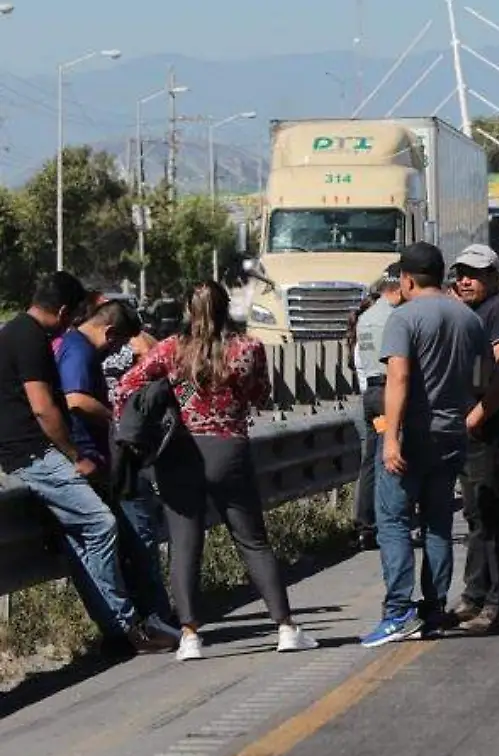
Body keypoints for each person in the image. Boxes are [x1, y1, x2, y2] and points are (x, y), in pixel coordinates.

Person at [115, 282, 318, 661]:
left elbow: (127, 385)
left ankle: (190, 635)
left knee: (185, 544)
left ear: (188, 310)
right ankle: (286, 627)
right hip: (229, 449)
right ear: (228, 308)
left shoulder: (172, 350)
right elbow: (261, 396)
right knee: (252, 541)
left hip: (179, 452)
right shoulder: (247, 348)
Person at [4, 275, 176, 655]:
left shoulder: (16, 331)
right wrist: (73, 456)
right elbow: (43, 406)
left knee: (85, 531)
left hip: (24, 453)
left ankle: (120, 627)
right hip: (33, 453)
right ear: (64, 311)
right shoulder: (32, 337)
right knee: (100, 524)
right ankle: (124, 627)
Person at [361, 242, 488, 648]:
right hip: (452, 434)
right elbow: (480, 375)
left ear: (407, 279)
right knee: (437, 524)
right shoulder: (468, 319)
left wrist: (391, 438)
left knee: (394, 522)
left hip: (413, 434)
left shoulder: (404, 318)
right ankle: (433, 611)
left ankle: (398, 611)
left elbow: (397, 378)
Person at [58, 299, 174, 628]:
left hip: (103, 457)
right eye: (118, 342)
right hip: (97, 459)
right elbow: (75, 400)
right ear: (108, 331)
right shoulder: (79, 351)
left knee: (137, 535)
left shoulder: (75, 347)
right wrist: (115, 419)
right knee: (138, 535)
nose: (117, 351)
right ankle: (150, 617)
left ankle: (149, 615)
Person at [447, 243, 499, 633]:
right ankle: (474, 596)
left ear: (495, 277)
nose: (466, 280)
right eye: (461, 273)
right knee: (477, 516)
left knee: (494, 518)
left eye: (475, 274)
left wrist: (478, 415)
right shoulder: (471, 311)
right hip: (470, 430)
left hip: (489, 430)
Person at [348, 266, 403, 552]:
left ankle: (364, 523)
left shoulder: (366, 317)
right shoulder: (394, 317)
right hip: (387, 394)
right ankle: (387, 521)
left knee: (370, 458)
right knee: (388, 455)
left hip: (370, 393)